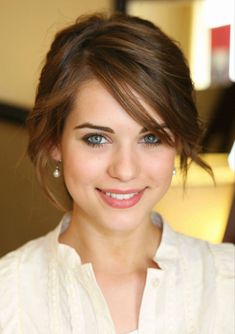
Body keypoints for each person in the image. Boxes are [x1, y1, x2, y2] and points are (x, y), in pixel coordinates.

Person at [0, 13, 234, 334]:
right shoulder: (9, 296)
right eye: (96, 138)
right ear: (55, 142)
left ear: (177, 142)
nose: (124, 170)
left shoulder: (226, 283)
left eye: (151, 137)